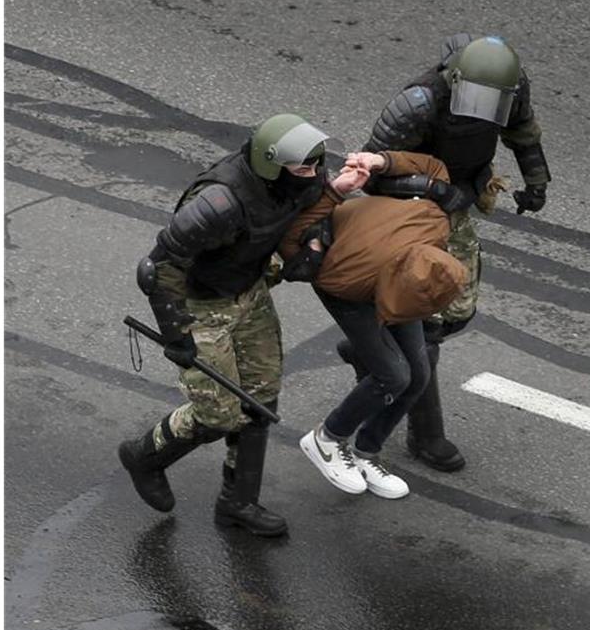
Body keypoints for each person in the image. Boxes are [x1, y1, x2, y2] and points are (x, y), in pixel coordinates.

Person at [117, 113, 360, 537]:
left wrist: (333, 196)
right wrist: (178, 335)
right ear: (271, 163)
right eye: (304, 166)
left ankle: (238, 503)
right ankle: (145, 455)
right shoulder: (219, 202)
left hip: (249, 295)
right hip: (201, 306)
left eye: (318, 164)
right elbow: (159, 266)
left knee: (260, 398)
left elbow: (310, 205)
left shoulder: (295, 182)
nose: (315, 173)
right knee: (217, 414)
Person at [336, 32, 552, 472]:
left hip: (458, 200)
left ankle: (371, 349)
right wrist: (433, 189)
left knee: (457, 310)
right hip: (410, 209)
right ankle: (426, 435)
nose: (482, 108)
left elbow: (522, 132)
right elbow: (371, 173)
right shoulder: (418, 102)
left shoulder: (511, 89)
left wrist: (537, 181)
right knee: (428, 320)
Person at [278, 151, 468, 498]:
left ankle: (366, 452)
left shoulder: (436, 226)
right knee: (394, 374)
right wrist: (335, 193)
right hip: (346, 288)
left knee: (419, 375)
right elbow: (292, 240)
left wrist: (381, 161)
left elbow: (429, 166)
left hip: (396, 271)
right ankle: (327, 438)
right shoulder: (346, 278)